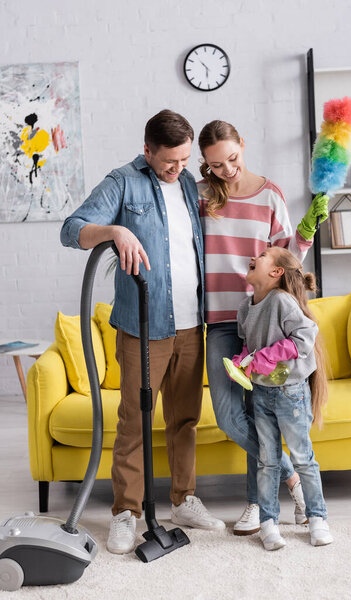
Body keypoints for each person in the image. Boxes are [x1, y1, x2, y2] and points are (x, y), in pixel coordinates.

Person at [60, 109, 225, 555]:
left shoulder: (189, 184)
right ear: (147, 149)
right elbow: (70, 230)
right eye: (169, 161)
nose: (178, 169)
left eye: (185, 160)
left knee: (184, 418)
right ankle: (125, 512)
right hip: (143, 325)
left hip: (193, 322)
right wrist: (115, 230)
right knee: (134, 420)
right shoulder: (122, 182)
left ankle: (184, 500)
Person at [197, 120, 329, 535]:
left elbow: (285, 262)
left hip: (265, 324)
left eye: (232, 158)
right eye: (215, 165)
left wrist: (304, 235)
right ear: (205, 164)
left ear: (242, 145)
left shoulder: (270, 194)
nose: (227, 170)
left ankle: (257, 503)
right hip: (220, 319)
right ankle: (292, 479)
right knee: (230, 417)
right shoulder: (200, 196)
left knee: (260, 416)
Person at [232, 245, 332, 550]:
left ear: (276, 273)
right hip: (261, 394)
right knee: (267, 461)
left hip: (291, 393)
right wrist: (243, 361)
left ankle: (317, 518)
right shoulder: (245, 308)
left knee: (303, 458)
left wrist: (267, 356)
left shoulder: (282, 301)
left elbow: (305, 335)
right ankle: (268, 523)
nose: (253, 257)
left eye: (262, 256)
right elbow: (251, 345)